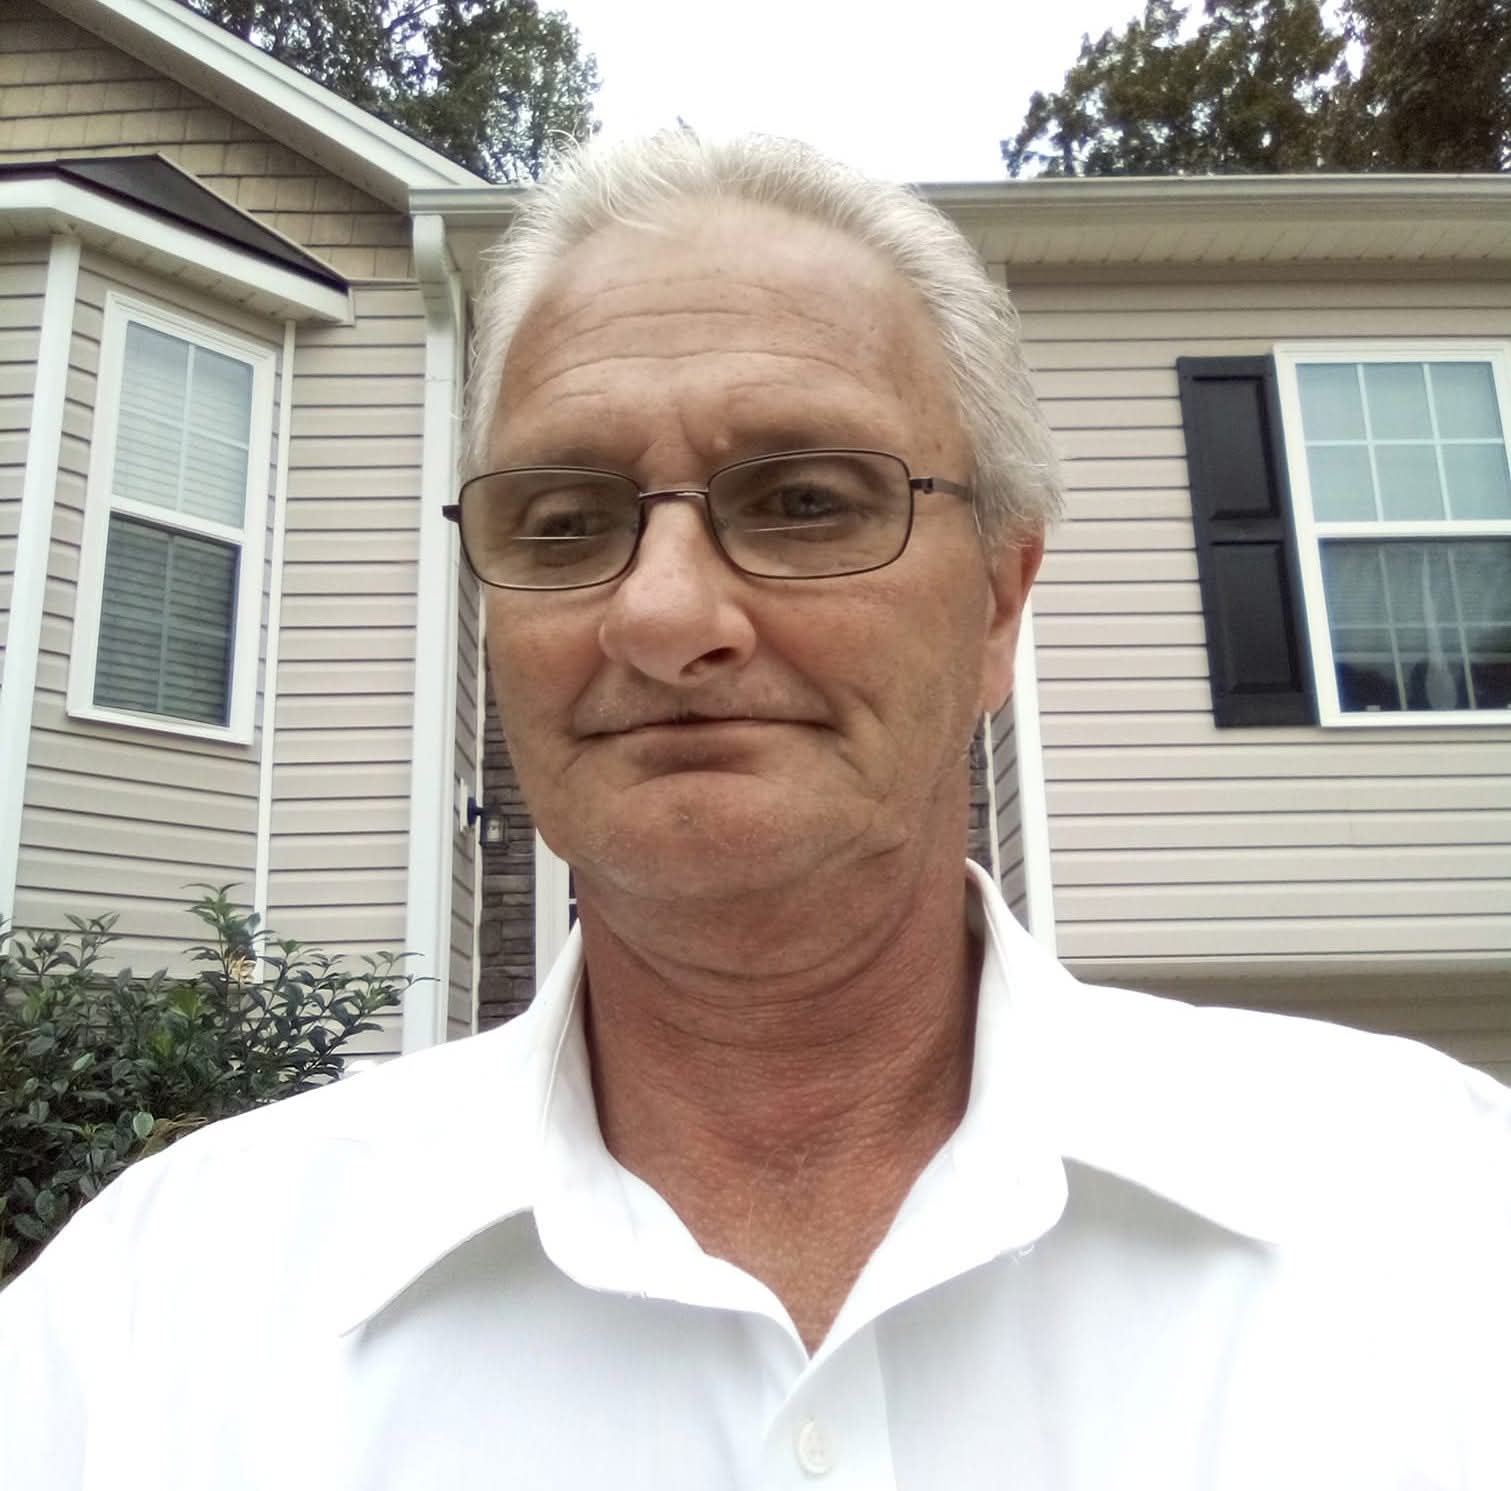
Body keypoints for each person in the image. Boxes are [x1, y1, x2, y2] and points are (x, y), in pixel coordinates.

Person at [3, 132, 1507, 1490]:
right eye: (564, 522)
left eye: (802, 501)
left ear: (1000, 602)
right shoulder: (144, 1337)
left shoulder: (1443, 1228)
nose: (664, 615)